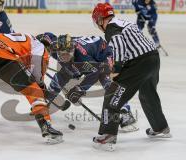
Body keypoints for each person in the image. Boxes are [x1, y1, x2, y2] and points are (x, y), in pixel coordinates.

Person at [91, 2, 171, 151]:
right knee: (148, 95)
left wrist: (116, 69)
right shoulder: (123, 22)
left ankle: (108, 135)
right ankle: (161, 128)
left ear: (101, 19)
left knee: (112, 94)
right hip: (153, 59)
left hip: (139, 63)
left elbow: (119, 46)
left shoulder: (111, 27)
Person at [36, 33, 138, 132]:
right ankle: (45, 103)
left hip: (103, 55)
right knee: (60, 76)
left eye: (68, 54)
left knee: (106, 79)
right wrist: (36, 42)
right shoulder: (55, 46)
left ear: (73, 50)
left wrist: (79, 89)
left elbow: (96, 72)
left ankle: (126, 111)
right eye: (62, 55)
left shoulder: (82, 55)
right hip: (85, 60)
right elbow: (48, 36)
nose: (65, 57)